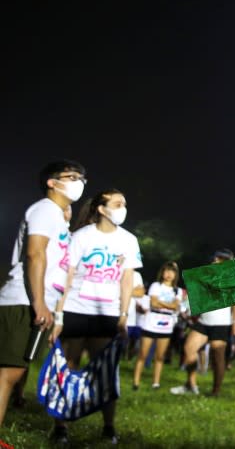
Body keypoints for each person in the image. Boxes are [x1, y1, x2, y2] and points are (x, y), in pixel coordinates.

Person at [50, 187, 141, 444]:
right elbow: (66, 277)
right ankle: (60, 426)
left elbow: (127, 281)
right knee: (68, 368)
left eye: (124, 203)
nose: (122, 208)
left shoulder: (129, 240)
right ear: (101, 209)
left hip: (108, 314)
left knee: (106, 372)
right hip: (76, 310)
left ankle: (109, 427)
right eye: (117, 203)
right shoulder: (80, 237)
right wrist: (58, 315)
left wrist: (123, 315)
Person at [0, 160, 85, 428]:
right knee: (8, 374)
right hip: (23, 299)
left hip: (38, 302)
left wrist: (54, 312)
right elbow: (35, 255)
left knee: (14, 372)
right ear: (52, 182)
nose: (78, 182)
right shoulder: (45, 209)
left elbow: (59, 268)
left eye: (81, 178)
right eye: (71, 176)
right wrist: (38, 303)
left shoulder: (58, 218)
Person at [171, 249, 235, 397]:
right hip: (204, 320)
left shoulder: (233, 275)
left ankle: (216, 391)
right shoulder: (207, 274)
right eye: (214, 257)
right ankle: (191, 384)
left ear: (226, 259)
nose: (214, 260)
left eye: (218, 258)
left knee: (218, 358)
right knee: (189, 348)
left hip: (221, 323)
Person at [133, 261, 181, 390]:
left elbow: (176, 306)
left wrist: (162, 303)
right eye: (166, 271)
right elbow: (153, 303)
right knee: (143, 354)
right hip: (150, 323)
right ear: (162, 273)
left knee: (160, 356)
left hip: (166, 325)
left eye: (172, 271)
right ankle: (136, 382)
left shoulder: (178, 290)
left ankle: (156, 383)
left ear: (176, 274)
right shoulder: (155, 286)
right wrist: (169, 305)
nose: (169, 274)